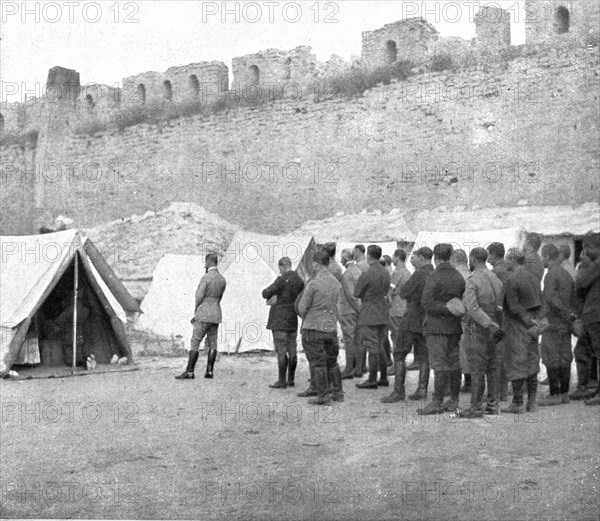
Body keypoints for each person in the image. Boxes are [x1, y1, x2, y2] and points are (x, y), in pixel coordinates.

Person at [418, 244, 466, 415]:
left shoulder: (434, 276)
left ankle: (437, 401)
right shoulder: (458, 276)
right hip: (454, 327)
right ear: (450, 255)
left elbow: (427, 303)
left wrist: (446, 308)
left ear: (435, 258)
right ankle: (453, 400)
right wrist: (453, 308)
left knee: (439, 365)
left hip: (436, 327)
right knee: (454, 364)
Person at [459, 247, 504, 418]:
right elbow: (499, 306)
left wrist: (488, 324)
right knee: (493, 366)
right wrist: (496, 325)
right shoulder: (495, 278)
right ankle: (493, 404)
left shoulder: (473, 279)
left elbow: (471, 307)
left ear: (472, 259)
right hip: (495, 325)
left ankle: (476, 407)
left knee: (477, 368)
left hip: (479, 327)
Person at [501, 248, 544, 413]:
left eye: (507, 258)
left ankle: (517, 403)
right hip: (533, 326)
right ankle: (531, 403)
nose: (506, 261)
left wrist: (527, 321)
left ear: (512, 259)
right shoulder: (533, 278)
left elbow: (513, 307)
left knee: (517, 362)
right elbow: (541, 302)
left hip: (517, 326)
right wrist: (535, 323)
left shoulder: (512, 279)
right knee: (532, 361)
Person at [297, 250, 342, 405]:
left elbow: (302, 307)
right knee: (332, 361)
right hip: (330, 326)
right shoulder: (336, 282)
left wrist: (306, 318)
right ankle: (337, 392)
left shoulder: (313, 283)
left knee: (318, 362)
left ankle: (323, 395)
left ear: (316, 264)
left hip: (313, 327)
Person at [176, 253, 226, 380]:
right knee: (213, 342)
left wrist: (196, 310)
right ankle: (209, 371)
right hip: (216, 313)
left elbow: (198, 296)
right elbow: (219, 297)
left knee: (195, 341)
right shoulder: (222, 279)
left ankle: (190, 371)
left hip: (204, 312)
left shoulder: (205, 278)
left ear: (208, 262)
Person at [538, 244, 576, 406]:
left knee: (550, 357)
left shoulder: (550, 275)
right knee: (565, 356)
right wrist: (569, 314)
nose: (541, 260)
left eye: (542, 256)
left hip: (553, 323)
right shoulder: (567, 274)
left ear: (547, 256)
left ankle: (554, 394)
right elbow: (573, 298)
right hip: (565, 324)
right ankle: (564, 393)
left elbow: (550, 298)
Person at [380, 248, 418, 403]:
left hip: (396, 310)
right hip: (404, 309)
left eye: (394, 257)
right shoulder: (408, 272)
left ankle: (395, 369)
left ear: (397, 258)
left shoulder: (397, 273)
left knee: (397, 342)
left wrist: (386, 302)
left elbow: (389, 292)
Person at [262, 257, 305, 389]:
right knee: (292, 349)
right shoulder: (299, 281)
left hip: (279, 318)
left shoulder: (281, 279)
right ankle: (291, 379)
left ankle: (282, 380)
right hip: (292, 317)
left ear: (281, 267)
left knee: (281, 350)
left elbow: (265, 293)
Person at [354, 245, 391, 389]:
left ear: (368, 256)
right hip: (383, 311)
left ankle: (372, 379)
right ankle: (383, 377)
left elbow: (357, 293)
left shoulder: (367, 273)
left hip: (369, 312)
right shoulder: (385, 272)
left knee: (372, 347)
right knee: (380, 345)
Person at [575, 234, 600, 406]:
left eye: (586, 248)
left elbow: (581, 282)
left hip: (596, 314)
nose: (583, 252)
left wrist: (586, 263)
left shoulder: (597, 265)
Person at [487, 241, 512, 401]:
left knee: (496, 356)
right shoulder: (507, 269)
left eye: (489, 254)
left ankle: (497, 392)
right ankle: (502, 391)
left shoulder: (495, 272)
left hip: (498, 317)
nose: (488, 257)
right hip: (508, 318)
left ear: (494, 255)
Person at [338, 249, 363, 379]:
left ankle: (348, 369)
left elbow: (351, 295)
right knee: (358, 340)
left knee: (349, 340)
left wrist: (358, 309)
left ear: (344, 259)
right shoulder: (358, 271)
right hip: (358, 310)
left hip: (349, 310)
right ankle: (358, 368)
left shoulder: (347, 274)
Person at [451, 248, 471, 395]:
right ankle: (470, 382)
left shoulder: (456, 276)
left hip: (460, 318)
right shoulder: (471, 275)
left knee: (461, 352)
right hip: (472, 319)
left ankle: (467, 383)